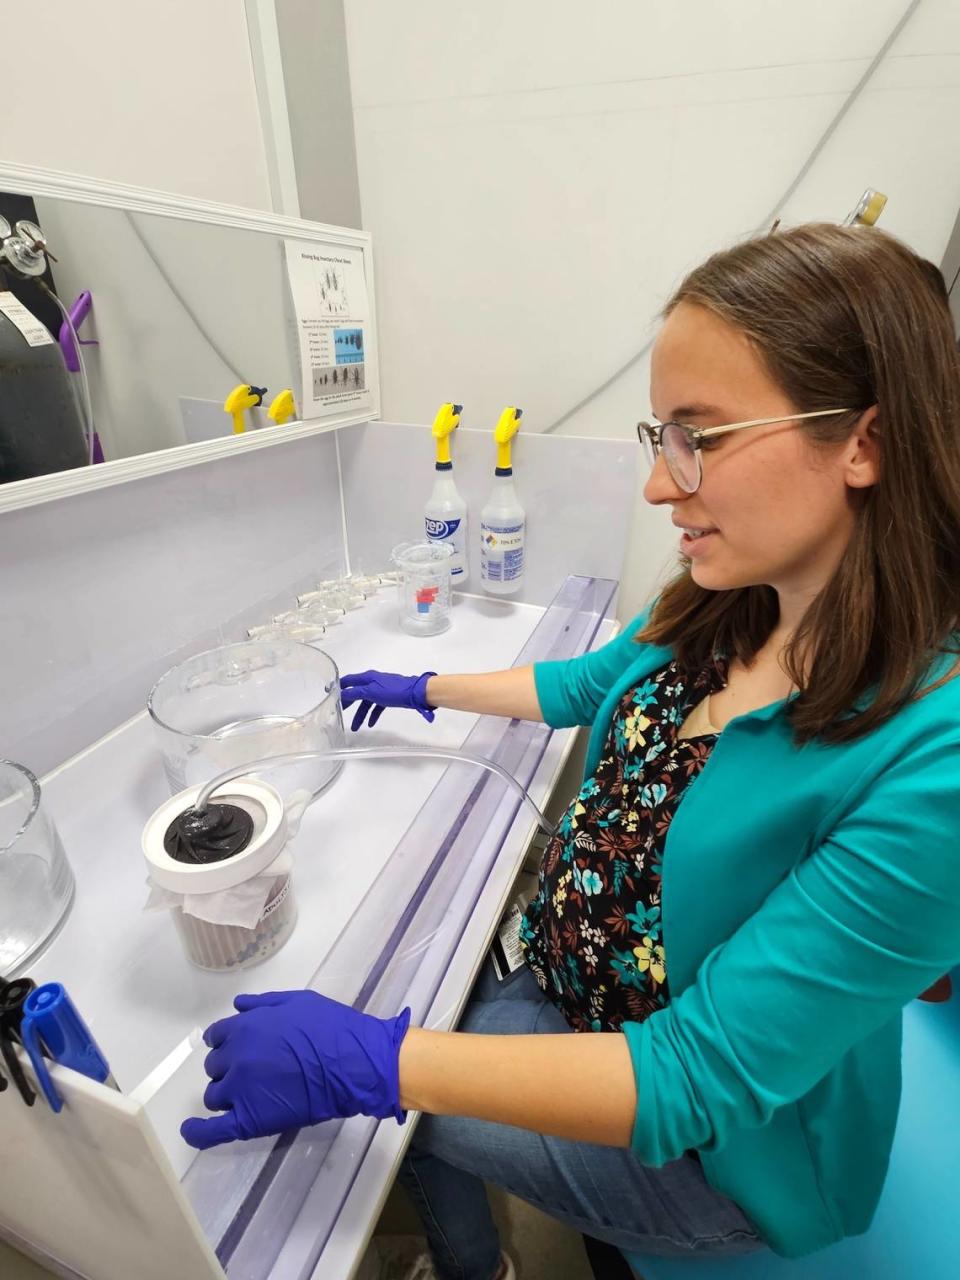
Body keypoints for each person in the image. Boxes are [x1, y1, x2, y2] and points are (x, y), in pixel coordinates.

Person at [181, 223, 960, 1280]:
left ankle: (476, 1266)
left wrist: (379, 1063)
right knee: (394, 1037)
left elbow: (698, 1074)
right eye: (658, 437)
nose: (656, 486)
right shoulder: (728, 601)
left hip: (716, 1144)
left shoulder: (931, 763)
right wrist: (418, 688)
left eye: (702, 436)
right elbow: (586, 684)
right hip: (564, 984)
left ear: (861, 443)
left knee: (379, 1115)